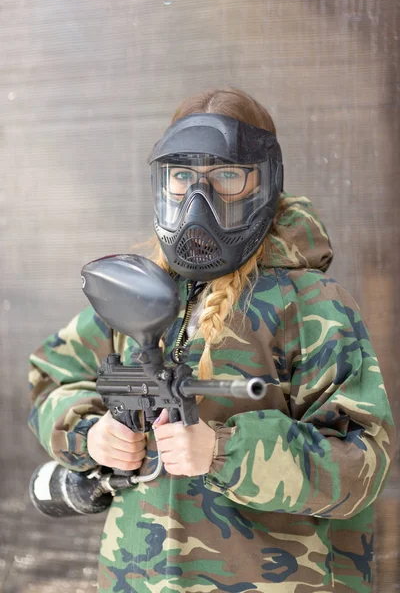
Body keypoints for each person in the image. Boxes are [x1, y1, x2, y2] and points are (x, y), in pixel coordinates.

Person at [28, 88, 396, 593]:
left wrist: (223, 450)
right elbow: (52, 375)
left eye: (226, 175)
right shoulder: (135, 290)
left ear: (263, 182)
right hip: (138, 579)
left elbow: (362, 466)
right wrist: (91, 434)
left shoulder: (312, 306)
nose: (199, 199)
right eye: (182, 177)